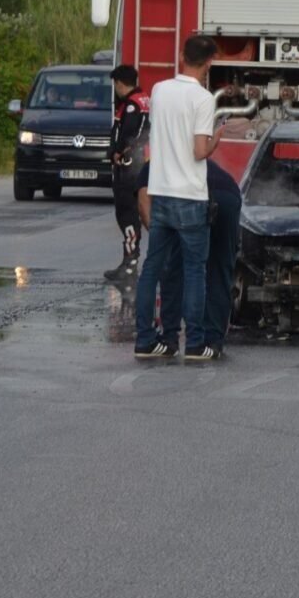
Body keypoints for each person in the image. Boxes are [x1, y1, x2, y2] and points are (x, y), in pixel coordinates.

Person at [133, 35, 221, 360]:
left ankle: (146, 340)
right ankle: (195, 343)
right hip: (190, 196)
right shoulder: (203, 98)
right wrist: (216, 141)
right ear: (209, 62)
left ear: (182, 56)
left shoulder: (159, 90)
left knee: (152, 268)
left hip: (161, 192)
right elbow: (199, 151)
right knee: (194, 271)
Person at [137, 159, 242, 358]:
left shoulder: (152, 167)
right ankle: (212, 341)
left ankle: (171, 338)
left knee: (175, 270)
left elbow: (144, 206)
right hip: (226, 195)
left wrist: (162, 239)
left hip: (195, 200)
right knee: (218, 269)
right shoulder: (184, 156)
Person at [105, 65, 151, 283]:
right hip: (141, 166)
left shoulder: (131, 105)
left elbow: (128, 134)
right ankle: (132, 262)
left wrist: (117, 152)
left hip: (129, 168)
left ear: (120, 83)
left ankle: (130, 264)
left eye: (115, 84)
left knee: (127, 215)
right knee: (139, 214)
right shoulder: (144, 100)